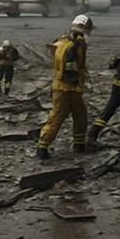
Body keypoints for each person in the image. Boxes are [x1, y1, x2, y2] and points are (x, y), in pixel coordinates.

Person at [36, 15, 93, 159]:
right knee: (57, 117)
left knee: (80, 114)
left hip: (65, 86)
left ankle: (79, 144)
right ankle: (42, 146)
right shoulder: (73, 47)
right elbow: (70, 68)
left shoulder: (61, 42)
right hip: (66, 88)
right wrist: (77, 81)